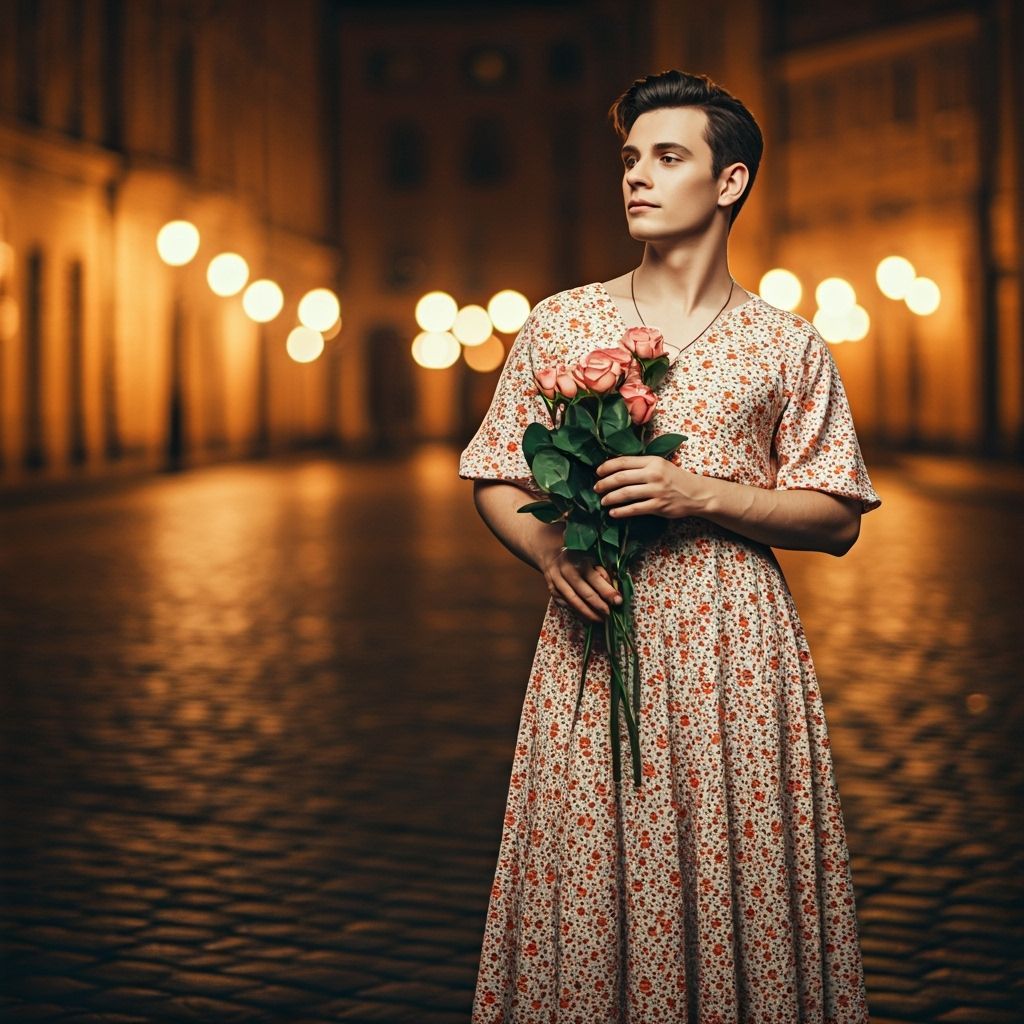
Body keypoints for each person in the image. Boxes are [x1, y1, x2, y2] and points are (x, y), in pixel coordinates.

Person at [459, 69, 880, 1023]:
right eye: (630, 159)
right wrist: (549, 554)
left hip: (738, 650)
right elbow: (494, 473)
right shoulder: (564, 321)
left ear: (728, 182)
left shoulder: (787, 345)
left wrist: (703, 492)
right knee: (595, 860)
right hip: (598, 644)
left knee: (741, 862)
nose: (638, 178)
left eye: (668, 156)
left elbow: (838, 517)